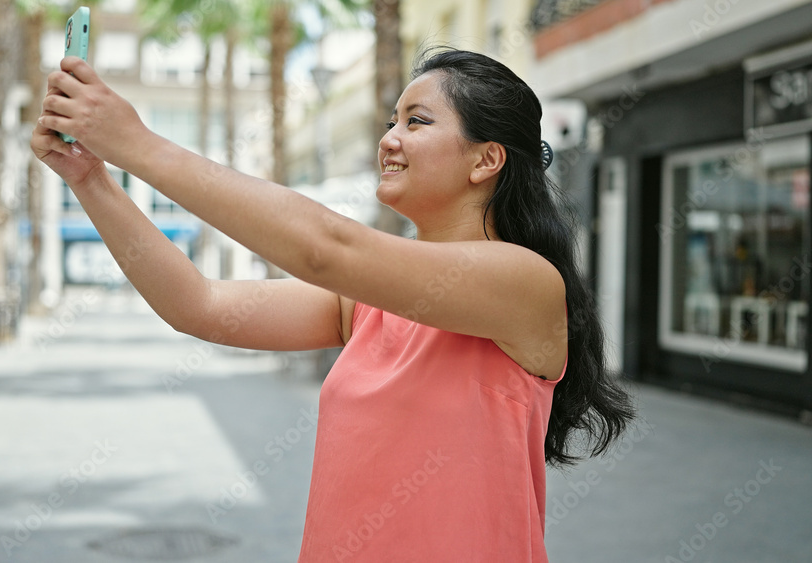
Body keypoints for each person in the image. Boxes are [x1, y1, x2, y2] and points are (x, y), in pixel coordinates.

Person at [32, 48, 635, 562]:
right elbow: (201, 305)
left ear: (487, 159)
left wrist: (137, 144)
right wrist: (91, 179)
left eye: (417, 121)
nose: (389, 139)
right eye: (392, 119)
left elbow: (326, 247)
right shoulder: (371, 300)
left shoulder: (523, 280)